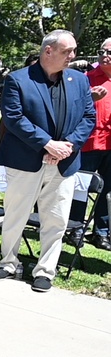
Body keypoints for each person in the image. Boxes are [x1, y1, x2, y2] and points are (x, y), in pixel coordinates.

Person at [0, 29, 97, 293]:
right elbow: (14, 118)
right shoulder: (18, 79)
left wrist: (65, 147)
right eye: (67, 51)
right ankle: (9, 264)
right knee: (15, 215)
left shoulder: (79, 81)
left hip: (64, 163)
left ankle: (45, 271)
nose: (73, 55)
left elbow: (88, 118)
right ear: (48, 51)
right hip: (26, 162)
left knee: (56, 220)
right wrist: (47, 144)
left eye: (73, 50)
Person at [68, 38, 111, 250]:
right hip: (89, 143)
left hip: (110, 146)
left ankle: (101, 232)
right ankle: (75, 228)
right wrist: (89, 99)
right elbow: (72, 107)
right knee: (81, 188)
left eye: (109, 52)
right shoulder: (87, 79)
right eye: (102, 51)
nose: (105, 55)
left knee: (107, 191)